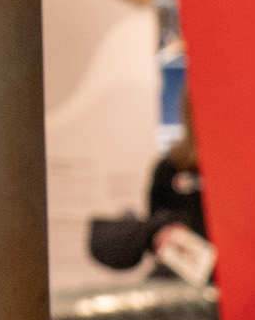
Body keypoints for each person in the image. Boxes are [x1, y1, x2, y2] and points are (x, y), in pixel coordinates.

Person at [89, 103, 209, 278]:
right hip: (183, 277)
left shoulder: (247, 168)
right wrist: (161, 233)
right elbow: (156, 218)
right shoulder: (170, 168)